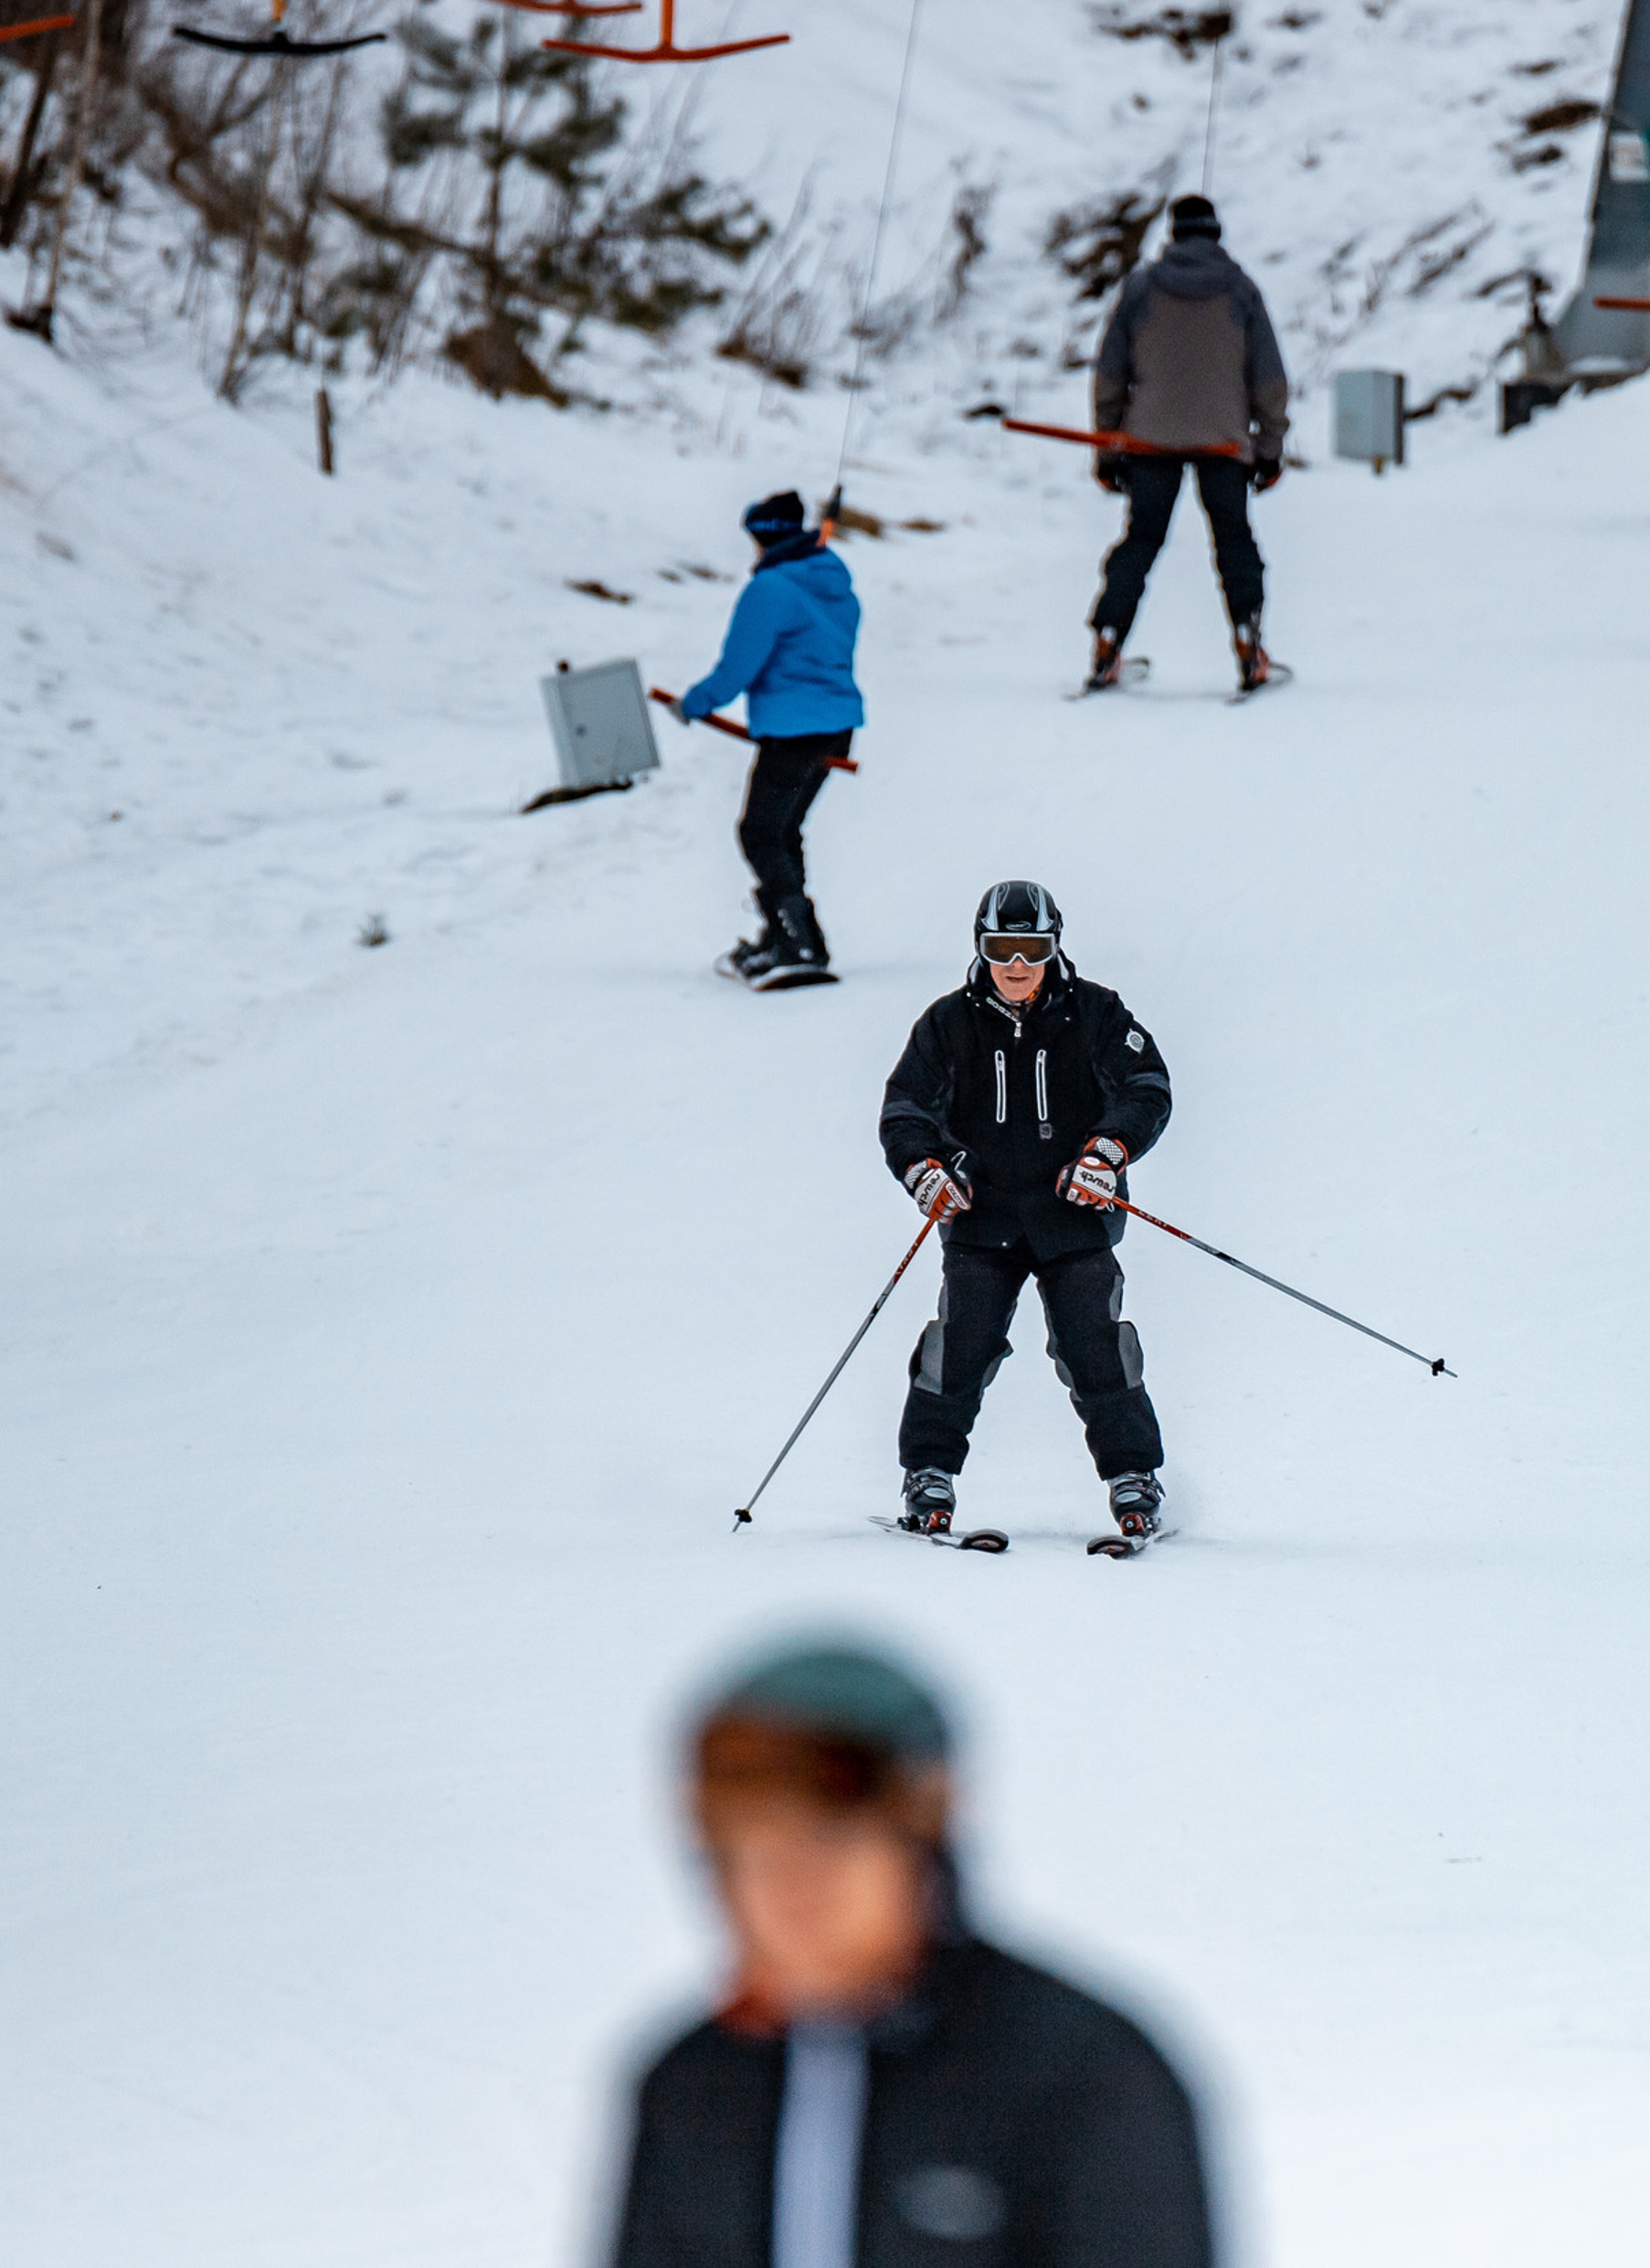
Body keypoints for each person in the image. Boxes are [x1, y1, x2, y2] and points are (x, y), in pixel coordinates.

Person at [611, 1640, 1216, 2268]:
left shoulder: (1078, 2073)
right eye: (753, 1847)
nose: (790, 1885)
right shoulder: (692, 2085)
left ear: (921, 1835)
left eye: (832, 1839)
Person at [879, 883, 1174, 1543]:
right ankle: (928, 1474)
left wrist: (1108, 1151)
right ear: (981, 949)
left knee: (1094, 1346)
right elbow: (905, 1109)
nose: (1016, 964)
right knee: (960, 1347)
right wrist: (924, 1169)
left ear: (1054, 946)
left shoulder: (1096, 1014)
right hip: (982, 1223)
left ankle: (1134, 1478)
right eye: (1001, 949)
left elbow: (1147, 1086)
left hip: (1073, 1218)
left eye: (1031, 948)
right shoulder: (947, 1024)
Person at [1087, 194, 1289, 696]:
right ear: (1216, 233)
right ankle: (1248, 643)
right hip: (1223, 443)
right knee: (1234, 542)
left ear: (1173, 234)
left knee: (1140, 540)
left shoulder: (1139, 290)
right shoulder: (1241, 290)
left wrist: (1109, 449)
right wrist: (1269, 448)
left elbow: (1110, 375)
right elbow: (1269, 379)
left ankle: (1108, 640)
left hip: (1149, 440)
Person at [668, 490, 862, 991]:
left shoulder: (771, 589)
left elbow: (740, 665)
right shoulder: (834, 583)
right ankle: (786, 934)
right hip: (836, 728)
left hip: (795, 730)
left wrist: (695, 702)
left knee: (759, 832)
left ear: (765, 536)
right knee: (781, 831)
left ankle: (799, 943)